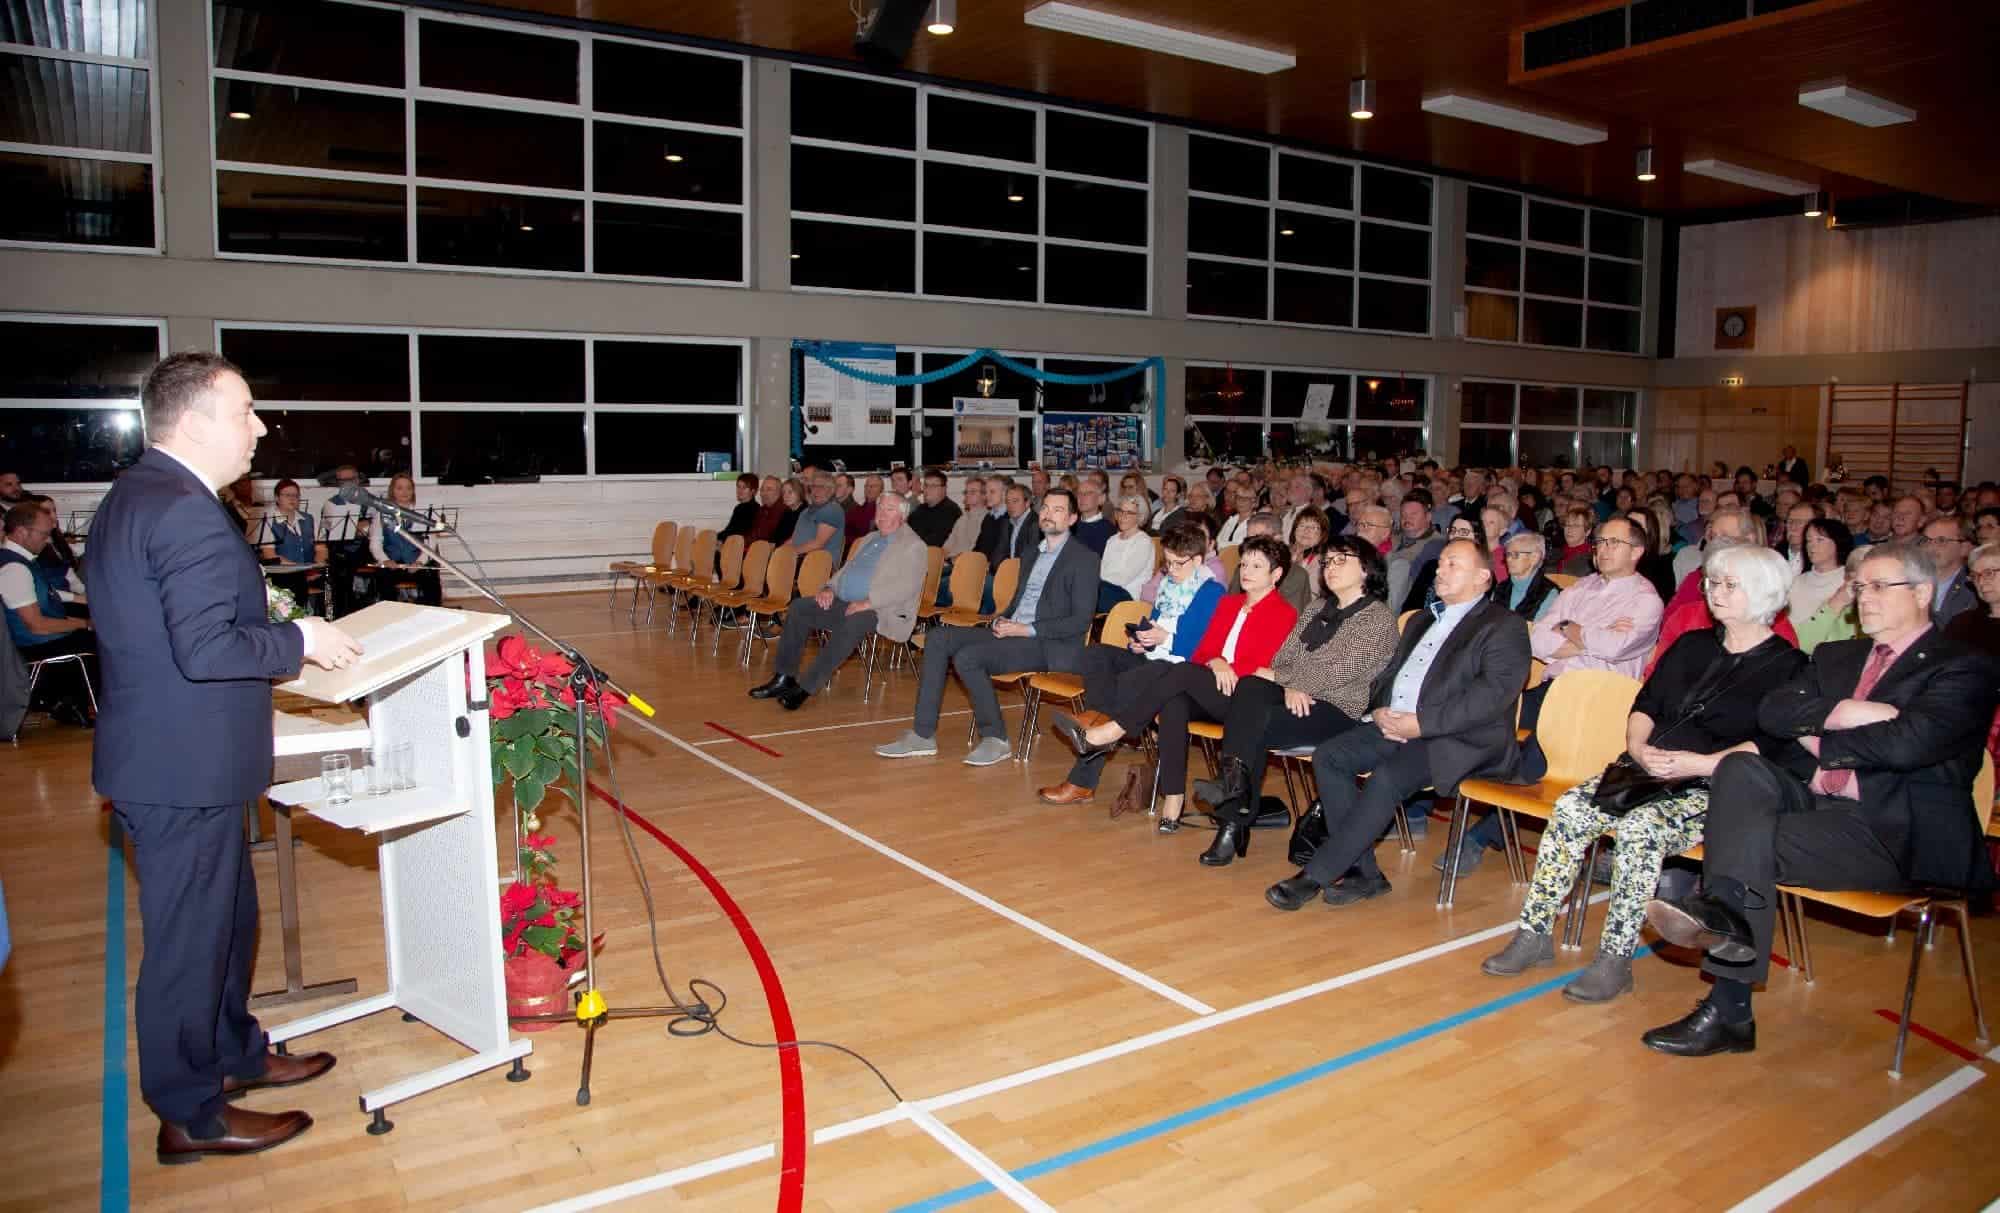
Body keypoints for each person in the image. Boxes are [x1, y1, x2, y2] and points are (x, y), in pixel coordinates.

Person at [91, 353, 363, 1161]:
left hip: (182, 758)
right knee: (188, 946)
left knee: (227, 923)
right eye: (245, 410)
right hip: (182, 769)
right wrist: (299, 639)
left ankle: (234, 1052)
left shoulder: (141, 492)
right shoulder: (182, 510)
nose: (260, 426)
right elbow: (206, 648)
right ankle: (190, 1112)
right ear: (196, 419)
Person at [1642, 540, 1998, 1057]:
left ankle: (1729, 1001)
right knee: (1741, 769)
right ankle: (1723, 928)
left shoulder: (1963, 665)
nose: (1864, 598)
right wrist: (1847, 712)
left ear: (1923, 592)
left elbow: (1908, 745)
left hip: (1893, 830)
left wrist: (1818, 729)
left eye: (1880, 586)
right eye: (1860, 587)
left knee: (1741, 844)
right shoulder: (1838, 656)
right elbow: (1774, 712)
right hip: (1817, 804)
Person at [1481, 545, 1806, 1001]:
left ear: (1765, 592)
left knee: (1641, 828)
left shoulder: (1789, 666)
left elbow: (1773, 744)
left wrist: (1700, 764)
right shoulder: (1691, 645)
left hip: (1717, 786)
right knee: (1572, 808)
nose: (1715, 592)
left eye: (1730, 585)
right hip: (1647, 770)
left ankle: (1615, 959)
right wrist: (1637, 747)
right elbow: (1646, 703)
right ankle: (1534, 934)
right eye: (1713, 582)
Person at [1264, 539, 1532, 909]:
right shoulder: (1421, 619)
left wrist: (1422, 724)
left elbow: (1491, 697)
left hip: (1457, 738)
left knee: (1387, 777)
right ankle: (1365, 873)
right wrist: (1379, 710)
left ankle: (1316, 875)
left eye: (1453, 564)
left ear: (1483, 577)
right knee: (1330, 756)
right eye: (1440, 563)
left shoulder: (1504, 626)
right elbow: (1387, 675)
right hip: (1395, 724)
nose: (1440, 570)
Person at [1051, 535, 1300, 849]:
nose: (1246, 571)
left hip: (1243, 697)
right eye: (1244, 564)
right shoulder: (1229, 603)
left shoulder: (1284, 613)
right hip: (1211, 684)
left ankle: (1111, 731)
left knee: (1179, 672)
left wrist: (1227, 666)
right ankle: (1174, 797)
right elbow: (1203, 651)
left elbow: (1263, 663)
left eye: (1256, 566)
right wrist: (1216, 661)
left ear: (1276, 574)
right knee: (1174, 701)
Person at [1193, 536, 1397, 869]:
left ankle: (1233, 817)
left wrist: (1292, 682)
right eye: (1327, 561)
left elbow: (1338, 674)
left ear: (1366, 569)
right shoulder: (1317, 608)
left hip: (1338, 709)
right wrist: (1289, 683)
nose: (1330, 567)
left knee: (1251, 722)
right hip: (1296, 694)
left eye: (1340, 560)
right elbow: (1282, 658)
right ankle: (1235, 800)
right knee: (1250, 687)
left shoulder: (1377, 619)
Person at [876, 488, 1098, 766]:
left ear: (1073, 518)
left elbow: (1080, 621)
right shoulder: (1032, 553)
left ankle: (996, 738)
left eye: (1058, 510)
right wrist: (1001, 619)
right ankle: (922, 735)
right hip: (1014, 632)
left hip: (1049, 644)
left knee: (968, 658)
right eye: (1045, 508)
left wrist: (1025, 629)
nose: (1048, 514)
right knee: (937, 636)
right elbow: (1019, 602)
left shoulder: (1084, 559)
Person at [1035, 522, 1223, 810]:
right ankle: (1096, 722)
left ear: (1198, 560)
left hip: (1179, 672)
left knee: (1136, 680)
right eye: (1167, 562)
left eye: (1178, 563)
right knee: (1097, 654)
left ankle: (1085, 771)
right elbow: (1155, 625)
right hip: (1154, 659)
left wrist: (1163, 639)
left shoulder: (1212, 592)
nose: (1171, 570)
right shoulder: (1168, 585)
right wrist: (1142, 642)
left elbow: (1199, 649)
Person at [749, 491, 927, 711]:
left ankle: (805, 687)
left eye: (889, 509)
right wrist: (829, 588)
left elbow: (906, 587)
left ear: (903, 516)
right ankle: (784, 677)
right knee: (799, 608)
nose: (881, 514)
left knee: (853, 623)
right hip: (846, 602)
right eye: (880, 508)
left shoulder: (913, 545)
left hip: (881, 610)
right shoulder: (870, 539)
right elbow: (845, 570)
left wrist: (867, 603)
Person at [0, 501, 95, 724]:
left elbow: (48, 597)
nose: (47, 540)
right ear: (22, 532)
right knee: (108, 641)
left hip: (43, 636)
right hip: (36, 644)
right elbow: (37, 625)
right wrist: (85, 624)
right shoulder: (14, 569)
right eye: (43, 534)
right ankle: (77, 704)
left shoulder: (22, 561)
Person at [1787, 516, 1852, 635]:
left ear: (1837, 542)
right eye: (1808, 540)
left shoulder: (1848, 581)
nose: (1811, 546)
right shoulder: (1797, 581)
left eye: (1820, 540)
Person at [1386, 490, 1442, 612]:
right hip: (1382, 590)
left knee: (1401, 567)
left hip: (1407, 602)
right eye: (1403, 514)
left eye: (1413, 514)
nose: (1407, 518)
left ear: (1428, 517)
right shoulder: (1392, 537)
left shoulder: (1436, 544)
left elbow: (1416, 579)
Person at [1097, 494, 1154, 610]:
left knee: (1093, 591)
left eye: (1129, 513)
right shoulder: (1112, 540)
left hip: (1129, 598)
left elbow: (1123, 578)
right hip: (1107, 590)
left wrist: (1097, 583)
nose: (1123, 516)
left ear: (1139, 517)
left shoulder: (1143, 542)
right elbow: (1102, 569)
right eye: (1121, 511)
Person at [1921, 515, 1978, 627]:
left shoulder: (1973, 588)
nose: (1930, 547)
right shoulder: (1909, 581)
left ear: (1964, 548)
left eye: (1941, 540)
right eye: (1926, 540)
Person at [1493, 531, 1559, 622]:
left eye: (1515, 554)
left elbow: (1538, 628)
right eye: (1508, 554)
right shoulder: (1500, 587)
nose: (1508, 559)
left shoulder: (1549, 592)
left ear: (1535, 558)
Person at [259, 479, 324, 566]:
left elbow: (321, 549)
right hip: (284, 573)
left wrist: (318, 566)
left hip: (312, 571)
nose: (292, 498)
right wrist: (298, 568)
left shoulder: (309, 519)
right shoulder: (268, 522)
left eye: (296, 495)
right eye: (287, 495)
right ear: (277, 498)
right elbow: (269, 555)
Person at [907, 470, 962, 549]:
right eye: (926, 485)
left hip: (934, 554)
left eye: (933, 486)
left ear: (944, 489)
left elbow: (935, 542)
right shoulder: (920, 509)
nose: (927, 489)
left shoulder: (951, 511)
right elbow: (906, 530)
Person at [717, 472, 762, 549]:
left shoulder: (754, 509)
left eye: (744, 488)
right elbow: (729, 529)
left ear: (753, 491)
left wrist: (719, 539)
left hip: (740, 548)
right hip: (733, 544)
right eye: (738, 486)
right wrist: (717, 537)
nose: (740, 490)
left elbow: (737, 532)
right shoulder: (739, 508)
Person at [845, 473, 883, 546]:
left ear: (881, 489)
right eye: (866, 486)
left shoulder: (882, 509)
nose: (869, 488)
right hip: (851, 545)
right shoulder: (856, 508)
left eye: (874, 486)